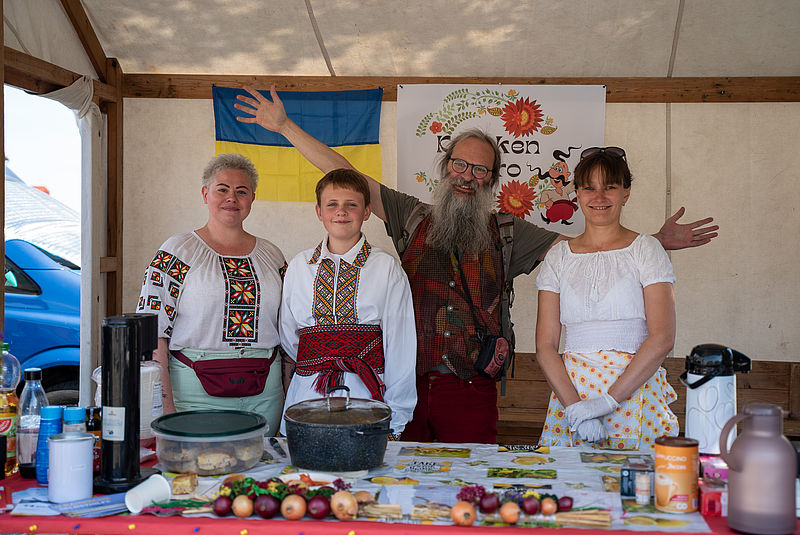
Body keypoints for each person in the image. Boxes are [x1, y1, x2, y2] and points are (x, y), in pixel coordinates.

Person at [234, 85, 718, 444]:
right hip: (399, 385)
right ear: (446, 167)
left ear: (492, 179)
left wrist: (653, 243)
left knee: (469, 492)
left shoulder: (511, 232)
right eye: (461, 165)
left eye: (481, 170)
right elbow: (345, 175)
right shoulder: (409, 216)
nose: (468, 176)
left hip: (472, 388)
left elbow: (590, 250)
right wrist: (284, 127)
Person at [535, 147, 678, 450]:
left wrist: (606, 402)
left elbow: (663, 337)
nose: (599, 197)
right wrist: (577, 409)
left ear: (626, 193)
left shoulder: (646, 249)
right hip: (573, 395)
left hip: (635, 390)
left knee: (636, 479)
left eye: (609, 187)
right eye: (589, 188)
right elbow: (545, 345)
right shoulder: (558, 257)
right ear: (577, 194)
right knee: (570, 479)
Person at [136, 153, 287, 436]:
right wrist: (165, 406)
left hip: (265, 392)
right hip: (193, 393)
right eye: (222, 189)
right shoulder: (177, 252)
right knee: (200, 462)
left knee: (262, 461)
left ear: (252, 198)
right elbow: (152, 332)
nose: (232, 198)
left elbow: (288, 330)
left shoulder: (272, 256)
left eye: (241, 191)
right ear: (205, 194)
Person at [278, 169, 417, 437]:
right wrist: (324, 356)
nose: (341, 211)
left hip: (366, 397)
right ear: (319, 212)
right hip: (307, 395)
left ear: (367, 211)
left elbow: (400, 346)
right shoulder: (299, 266)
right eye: (332, 204)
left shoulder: (386, 267)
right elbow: (289, 336)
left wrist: (396, 417)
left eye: (351, 204)